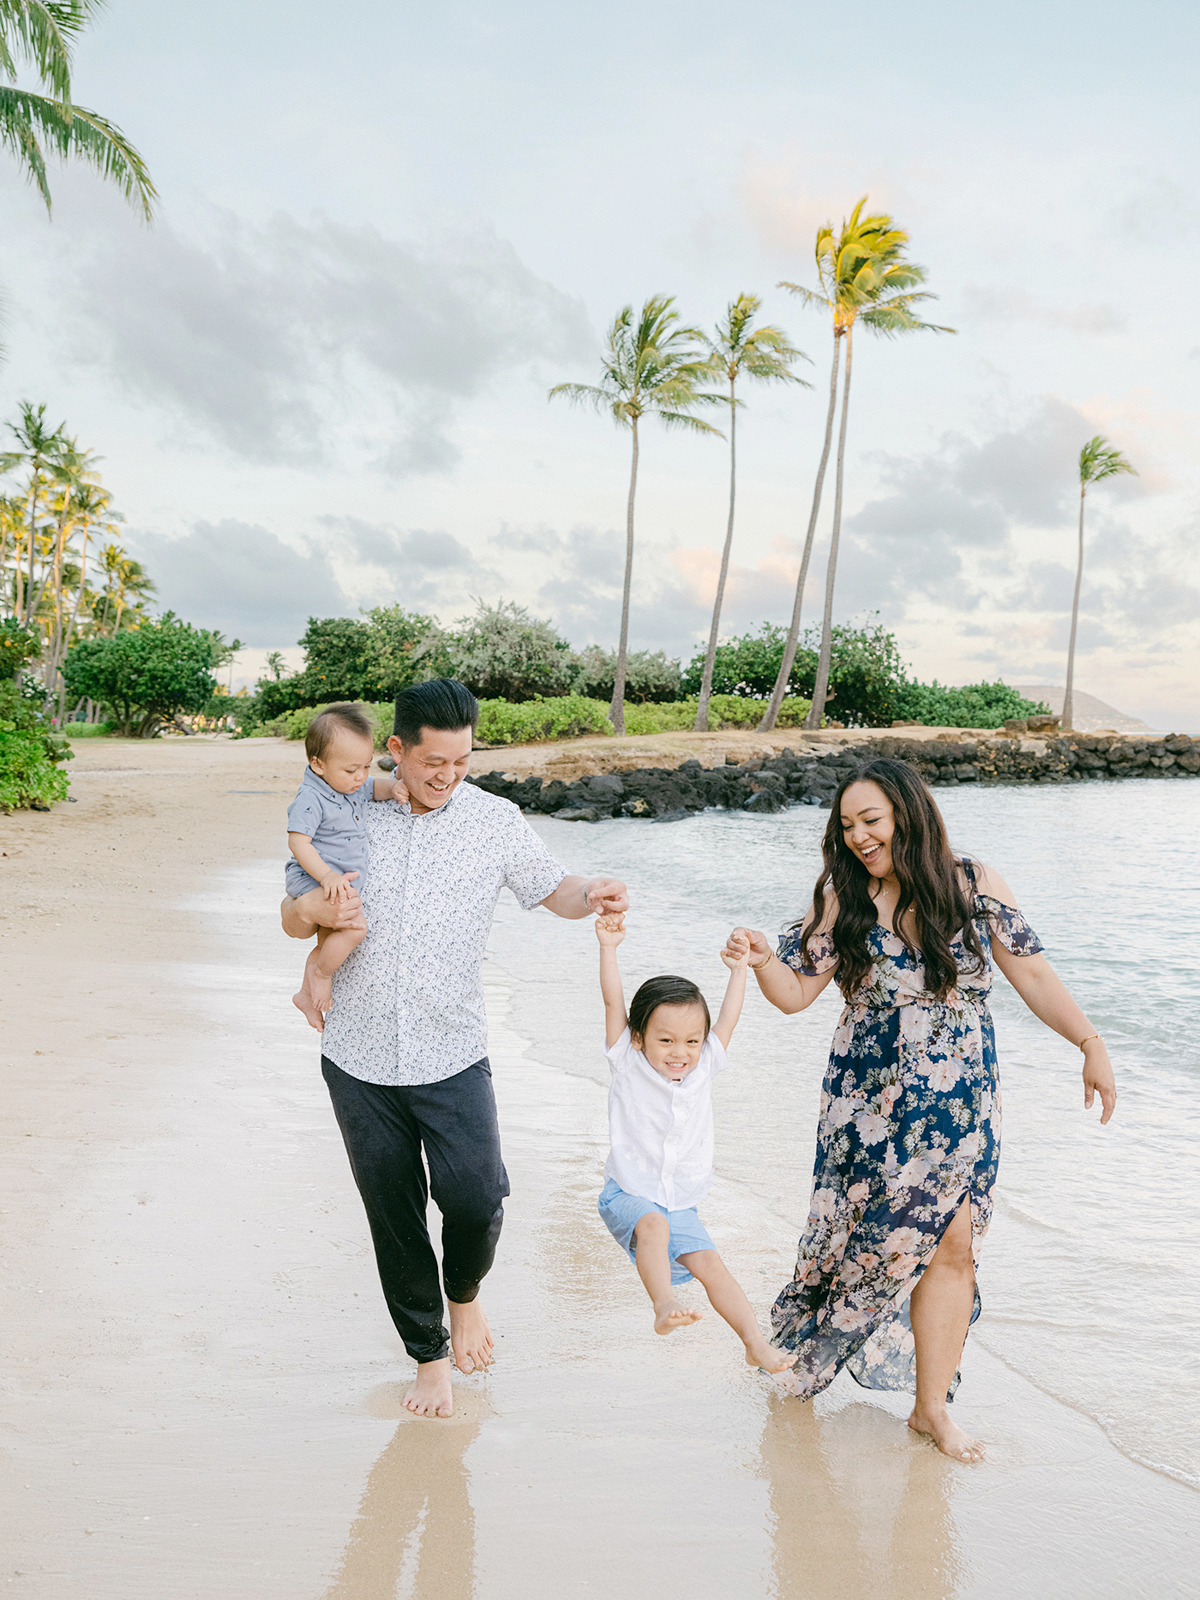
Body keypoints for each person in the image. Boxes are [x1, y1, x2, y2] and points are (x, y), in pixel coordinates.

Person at [725, 757, 1117, 1463]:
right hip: (868, 1107)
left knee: (956, 1243)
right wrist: (758, 958)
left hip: (962, 1102)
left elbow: (1029, 970)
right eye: (847, 825)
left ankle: (931, 1409)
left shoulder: (972, 883)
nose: (858, 837)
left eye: (870, 820)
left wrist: (1089, 1041)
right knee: (864, 1246)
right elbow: (793, 994)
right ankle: (805, 1356)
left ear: (909, 813)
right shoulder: (843, 896)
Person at [280, 679, 628, 1419]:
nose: (446, 776)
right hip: (358, 1055)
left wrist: (592, 889)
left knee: (477, 1198)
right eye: (432, 761)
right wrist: (311, 909)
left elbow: (552, 888)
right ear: (397, 751)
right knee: (394, 1214)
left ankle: (463, 1294)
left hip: (452, 1049)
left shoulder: (494, 822)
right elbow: (291, 915)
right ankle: (428, 1355)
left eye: (462, 762)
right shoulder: (349, 813)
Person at [594, 913, 796, 1374]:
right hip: (629, 1191)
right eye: (665, 1040)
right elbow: (612, 1003)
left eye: (690, 1040)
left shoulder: (704, 1064)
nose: (679, 1051)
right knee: (654, 1227)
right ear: (640, 1037)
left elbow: (729, 1018)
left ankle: (754, 1343)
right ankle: (664, 1305)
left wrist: (740, 969)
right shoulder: (627, 1060)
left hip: (680, 1201)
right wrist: (609, 948)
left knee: (712, 1265)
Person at [285, 702, 408, 1029]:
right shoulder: (311, 797)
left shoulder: (349, 785)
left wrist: (393, 789)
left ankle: (305, 996)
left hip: (334, 879)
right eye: (351, 770)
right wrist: (326, 876)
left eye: (366, 766)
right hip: (314, 879)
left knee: (329, 942)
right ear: (318, 764)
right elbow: (298, 842)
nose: (360, 777)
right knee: (355, 928)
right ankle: (321, 976)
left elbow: (373, 789)